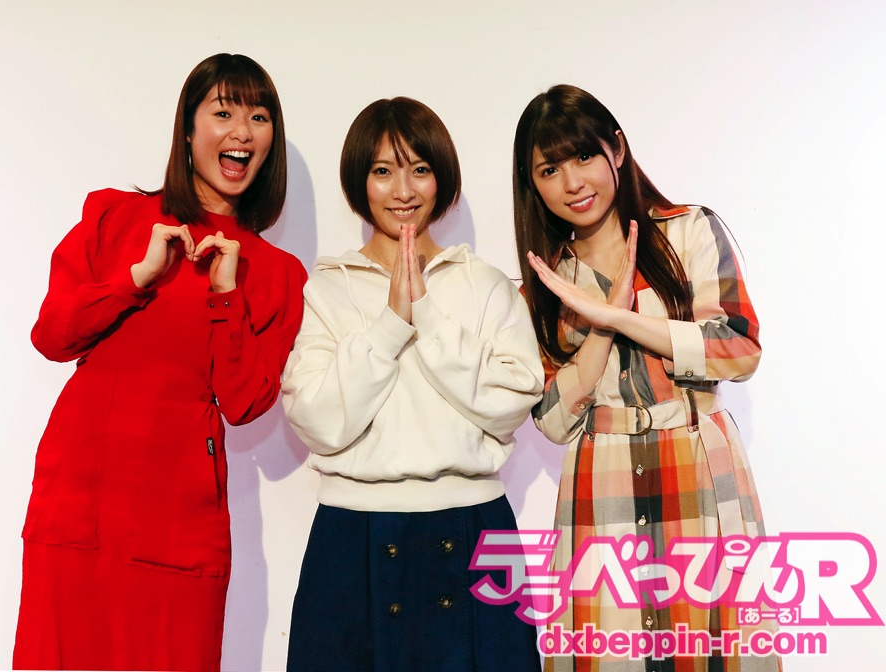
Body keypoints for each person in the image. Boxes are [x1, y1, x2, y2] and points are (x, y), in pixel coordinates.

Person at [13, 53, 306, 671]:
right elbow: (52, 335)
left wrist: (225, 295)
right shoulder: (114, 215)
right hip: (79, 506)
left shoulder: (276, 273)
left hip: (179, 523)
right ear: (188, 129)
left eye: (258, 117)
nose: (242, 131)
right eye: (223, 112)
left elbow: (245, 403)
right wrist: (135, 279)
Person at [513, 84, 780, 671]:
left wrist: (622, 318)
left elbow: (739, 350)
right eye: (550, 170)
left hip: (698, 458)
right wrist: (600, 328)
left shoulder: (687, 231)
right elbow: (553, 421)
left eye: (584, 156)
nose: (572, 182)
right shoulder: (549, 281)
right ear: (532, 184)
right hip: (601, 471)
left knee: (713, 649)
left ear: (617, 148)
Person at [281, 97, 544, 671]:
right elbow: (316, 421)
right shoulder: (329, 288)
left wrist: (425, 312)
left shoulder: (484, 283)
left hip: (474, 523)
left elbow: (515, 399)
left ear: (441, 178)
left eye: (420, 169)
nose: (403, 190)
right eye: (383, 170)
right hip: (351, 534)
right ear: (360, 181)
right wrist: (390, 323)